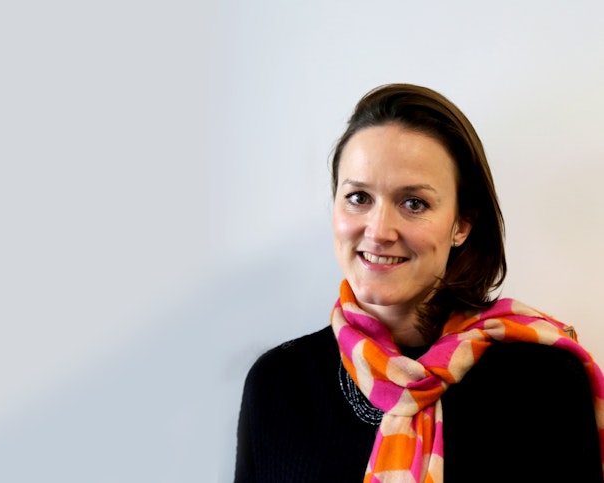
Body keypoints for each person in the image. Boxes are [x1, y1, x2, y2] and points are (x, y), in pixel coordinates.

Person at [234, 83, 604, 482]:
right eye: (359, 197)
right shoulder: (278, 382)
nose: (379, 231)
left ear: (462, 224)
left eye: (414, 203)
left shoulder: (544, 380)